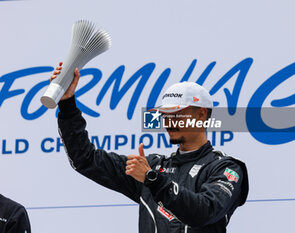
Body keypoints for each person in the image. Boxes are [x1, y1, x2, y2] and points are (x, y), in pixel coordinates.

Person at [52, 63, 249, 233]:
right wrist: (67, 103)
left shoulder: (226, 168)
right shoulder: (151, 166)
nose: (169, 121)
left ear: (200, 115)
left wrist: (152, 179)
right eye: (165, 115)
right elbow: (85, 159)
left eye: (176, 114)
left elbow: (204, 212)